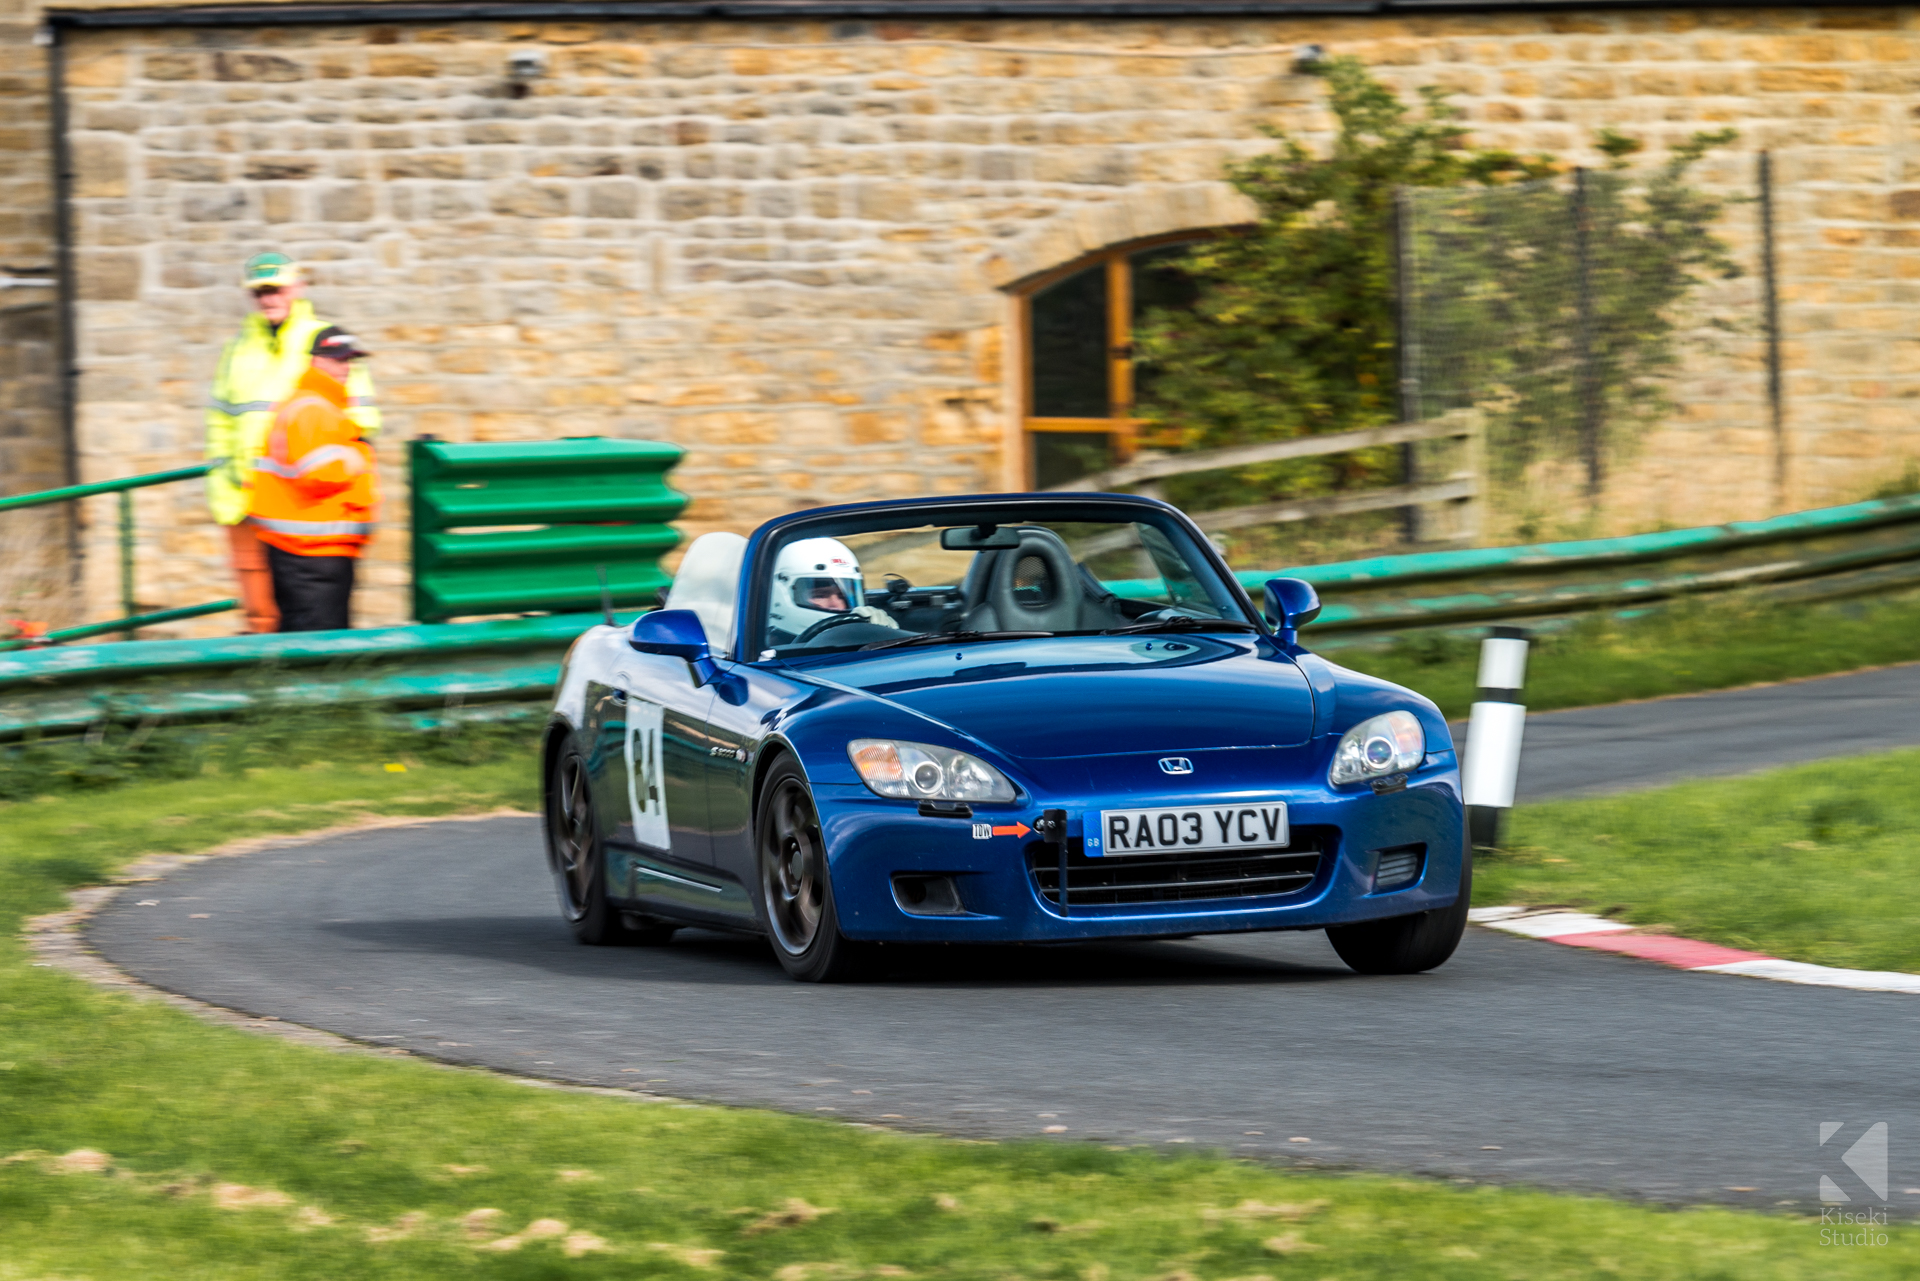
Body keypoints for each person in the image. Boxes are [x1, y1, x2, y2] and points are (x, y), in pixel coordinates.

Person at [205, 253, 379, 632]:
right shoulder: (237, 349)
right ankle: (266, 683)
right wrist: (224, 479)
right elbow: (220, 420)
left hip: (303, 504)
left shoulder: (322, 340)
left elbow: (358, 419)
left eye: (276, 289)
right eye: (259, 292)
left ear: (297, 288)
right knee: (260, 613)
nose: (268, 299)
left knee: (309, 613)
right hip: (244, 498)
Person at [247, 327, 379, 632]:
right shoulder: (315, 409)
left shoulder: (317, 404)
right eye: (338, 360)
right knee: (319, 650)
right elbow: (317, 473)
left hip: (309, 550)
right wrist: (357, 456)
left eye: (349, 361)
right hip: (312, 552)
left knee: (304, 639)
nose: (345, 368)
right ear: (317, 362)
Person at [764, 537, 897, 645]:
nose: (838, 606)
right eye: (820, 595)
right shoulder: (763, 654)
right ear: (779, 595)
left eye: (844, 596)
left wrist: (887, 638)